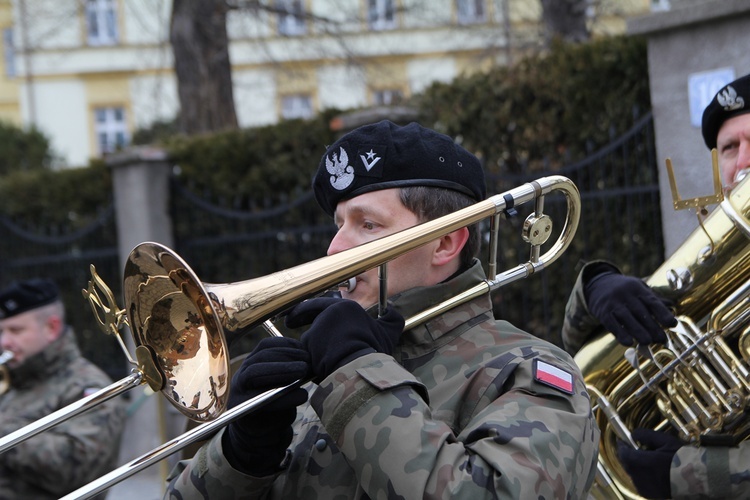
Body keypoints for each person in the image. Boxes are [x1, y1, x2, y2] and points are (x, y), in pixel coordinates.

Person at [164, 120, 600, 498]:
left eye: (368, 224)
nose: (334, 249)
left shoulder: (526, 371)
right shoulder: (318, 366)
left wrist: (357, 371)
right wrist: (242, 453)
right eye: (339, 225)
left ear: (445, 242)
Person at [562, 72, 750, 499]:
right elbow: (593, 363)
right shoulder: (715, 260)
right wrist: (595, 289)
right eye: (730, 148)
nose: (743, 164)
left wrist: (692, 472)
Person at [0, 278, 126, 499]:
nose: (5, 342)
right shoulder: (13, 380)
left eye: (15, 330)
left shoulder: (88, 386)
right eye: (2, 332)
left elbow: (74, 469)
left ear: (51, 327)